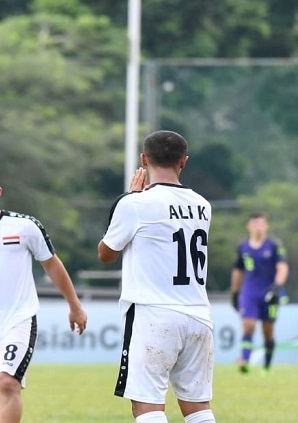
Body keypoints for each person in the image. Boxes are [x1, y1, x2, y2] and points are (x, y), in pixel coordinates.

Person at [0, 163, 88, 423]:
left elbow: (51, 264)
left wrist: (74, 305)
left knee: (6, 382)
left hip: (18, 320)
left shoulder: (25, 226)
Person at [98, 130, 216, 423]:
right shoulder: (203, 205)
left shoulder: (136, 203)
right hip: (198, 314)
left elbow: (106, 253)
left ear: (144, 159)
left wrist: (128, 197)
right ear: (183, 162)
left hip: (153, 313)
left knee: (147, 407)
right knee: (198, 408)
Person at [229, 212, 289, 374]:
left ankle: (267, 366)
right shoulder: (243, 247)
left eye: (261, 223)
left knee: (267, 331)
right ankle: (245, 361)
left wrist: (277, 286)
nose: (258, 227)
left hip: (269, 293)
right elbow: (238, 270)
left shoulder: (274, 245)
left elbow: (282, 267)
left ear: (267, 226)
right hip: (249, 292)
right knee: (248, 326)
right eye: (255, 223)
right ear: (248, 226)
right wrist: (235, 293)